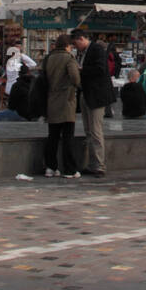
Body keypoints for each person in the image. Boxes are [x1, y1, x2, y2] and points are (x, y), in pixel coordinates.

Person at [72, 28, 114, 177]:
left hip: (96, 95)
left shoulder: (96, 49)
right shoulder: (83, 52)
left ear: (81, 39)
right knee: (89, 131)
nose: (75, 47)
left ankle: (99, 166)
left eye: (76, 43)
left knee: (96, 131)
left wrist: (82, 69)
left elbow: (100, 69)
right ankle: (92, 164)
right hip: (86, 93)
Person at [42, 34, 81, 178]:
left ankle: (50, 167)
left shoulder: (49, 58)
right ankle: (69, 169)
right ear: (68, 45)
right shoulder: (69, 58)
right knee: (67, 137)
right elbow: (75, 78)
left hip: (52, 100)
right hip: (67, 101)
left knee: (52, 136)